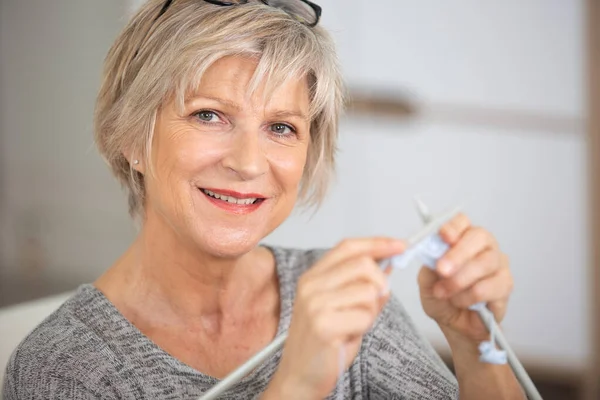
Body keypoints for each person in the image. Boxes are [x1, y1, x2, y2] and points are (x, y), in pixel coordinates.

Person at [3, 0, 523, 399]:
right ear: (132, 137)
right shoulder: (66, 366)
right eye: (209, 115)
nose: (249, 163)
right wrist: (294, 384)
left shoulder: (346, 298)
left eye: (280, 127)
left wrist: (477, 343)